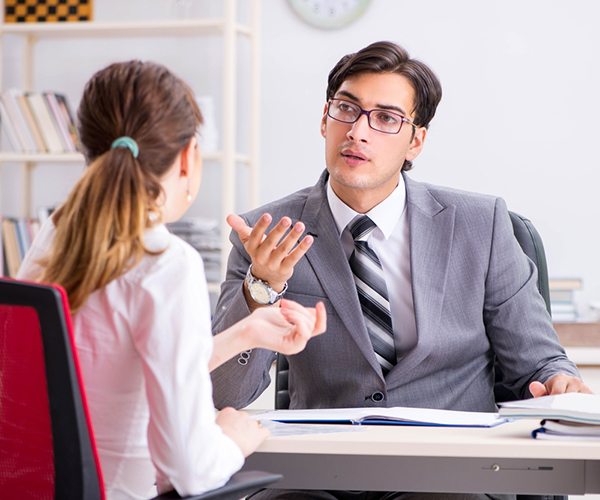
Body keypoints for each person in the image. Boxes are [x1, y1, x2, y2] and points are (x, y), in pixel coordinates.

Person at [210, 42, 591, 500]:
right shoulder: (265, 233)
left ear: (416, 141)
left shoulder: (481, 224)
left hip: (454, 472)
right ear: (324, 119)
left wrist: (558, 382)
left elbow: (540, 361)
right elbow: (221, 394)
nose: (357, 132)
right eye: (346, 110)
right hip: (321, 476)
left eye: (386, 118)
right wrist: (261, 289)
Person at [17, 60, 326, 500]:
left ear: (83, 147)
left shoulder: (57, 231)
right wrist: (231, 440)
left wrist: (244, 334)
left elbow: (106, 368)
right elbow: (192, 468)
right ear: (188, 157)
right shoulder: (165, 261)